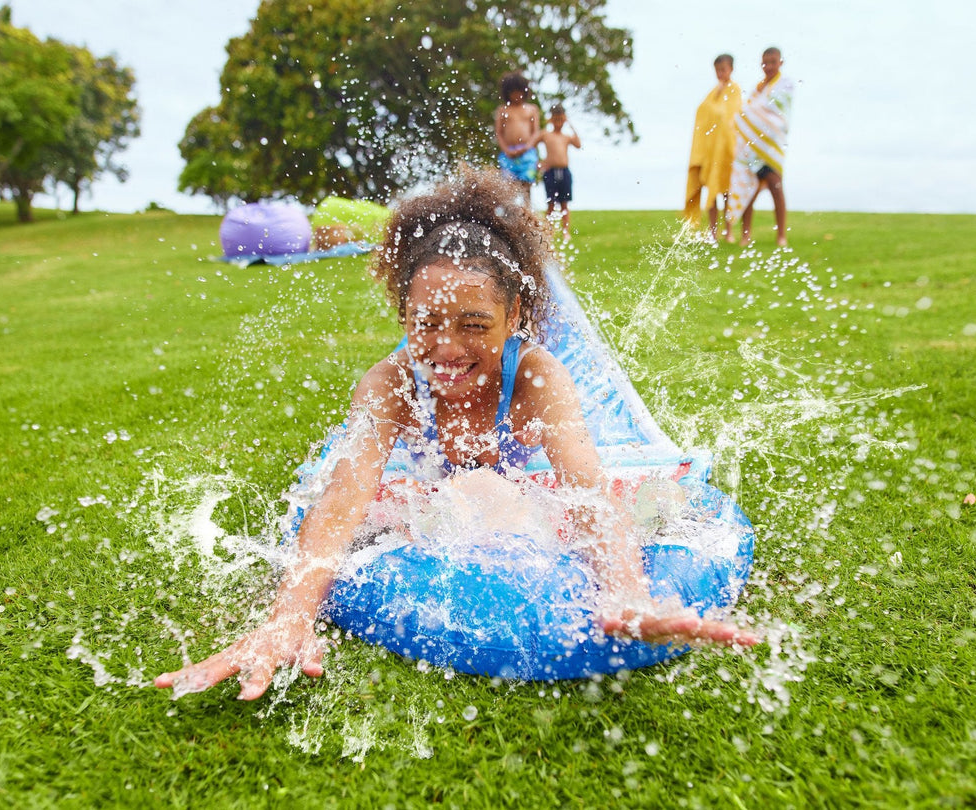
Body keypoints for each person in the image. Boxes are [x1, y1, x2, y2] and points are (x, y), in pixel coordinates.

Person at [154, 167, 759, 701]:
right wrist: (290, 614)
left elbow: (587, 490)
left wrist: (627, 592)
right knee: (416, 497)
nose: (446, 349)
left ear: (514, 316)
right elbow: (344, 496)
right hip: (424, 478)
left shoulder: (536, 378)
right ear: (403, 314)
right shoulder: (391, 384)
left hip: (515, 472)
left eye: (474, 325)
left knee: (627, 503)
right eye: (426, 323)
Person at [727, 47, 797, 247]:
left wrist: (754, 115)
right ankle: (745, 235)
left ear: (780, 62)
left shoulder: (785, 84)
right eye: (765, 62)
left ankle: (781, 236)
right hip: (752, 150)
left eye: (773, 62)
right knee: (749, 191)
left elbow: (776, 113)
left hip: (771, 147)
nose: (769, 66)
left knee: (776, 187)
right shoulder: (757, 88)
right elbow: (747, 111)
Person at [683, 54, 742, 242]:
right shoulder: (713, 92)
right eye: (717, 70)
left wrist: (714, 113)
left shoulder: (734, 89)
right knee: (712, 193)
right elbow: (703, 112)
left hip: (726, 149)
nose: (720, 74)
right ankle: (713, 232)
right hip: (711, 151)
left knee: (726, 192)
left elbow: (730, 115)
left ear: (731, 69)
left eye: (723, 70)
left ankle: (729, 231)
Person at [535, 103, 582, 240]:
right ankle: (548, 231)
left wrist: (570, 124)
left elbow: (578, 144)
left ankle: (566, 231)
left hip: (564, 171)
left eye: (561, 120)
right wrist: (539, 162)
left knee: (564, 203)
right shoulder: (546, 134)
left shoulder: (566, 137)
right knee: (550, 203)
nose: (558, 123)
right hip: (550, 171)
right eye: (556, 120)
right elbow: (532, 144)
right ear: (551, 119)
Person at [494, 71, 541, 203]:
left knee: (526, 186)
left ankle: (527, 212)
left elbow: (535, 132)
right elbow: (499, 133)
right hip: (508, 153)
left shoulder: (531, 109)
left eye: (519, 92)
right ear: (507, 93)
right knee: (508, 186)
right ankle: (510, 213)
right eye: (513, 92)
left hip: (527, 153)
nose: (517, 95)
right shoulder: (503, 110)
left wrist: (526, 147)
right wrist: (506, 150)